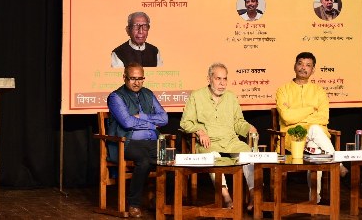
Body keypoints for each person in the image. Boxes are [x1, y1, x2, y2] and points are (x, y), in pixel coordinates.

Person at [180, 63, 256, 210]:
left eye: (225, 79)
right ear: (209, 79)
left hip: (230, 140)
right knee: (211, 156)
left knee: (249, 154)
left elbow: (238, 122)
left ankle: (253, 195)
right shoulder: (197, 96)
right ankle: (226, 197)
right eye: (218, 79)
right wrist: (199, 131)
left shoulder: (231, 97)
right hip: (209, 142)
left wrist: (248, 128)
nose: (222, 83)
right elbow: (185, 122)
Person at [275, 51, 347, 202]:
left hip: (315, 138)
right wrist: (310, 109)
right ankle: (338, 164)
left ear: (313, 70)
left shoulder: (319, 91)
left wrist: (296, 116)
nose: (303, 68)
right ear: (294, 66)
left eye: (308, 65)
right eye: (300, 64)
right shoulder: (283, 90)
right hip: (292, 138)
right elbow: (286, 117)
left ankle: (314, 199)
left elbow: (324, 117)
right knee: (315, 130)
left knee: (315, 141)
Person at [107, 62, 168, 218]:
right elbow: (127, 122)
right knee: (145, 160)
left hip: (152, 142)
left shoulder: (148, 93)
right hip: (128, 143)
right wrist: (152, 124)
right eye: (133, 78)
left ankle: (161, 201)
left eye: (140, 79)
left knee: (173, 157)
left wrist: (142, 117)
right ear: (124, 78)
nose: (137, 82)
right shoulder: (115, 97)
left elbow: (164, 118)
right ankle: (134, 203)